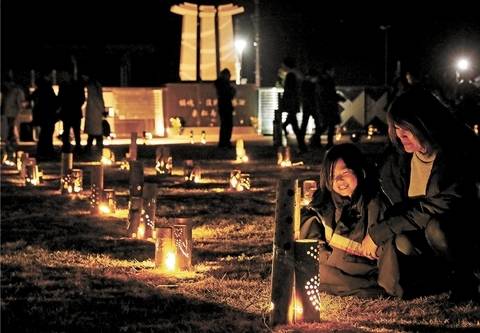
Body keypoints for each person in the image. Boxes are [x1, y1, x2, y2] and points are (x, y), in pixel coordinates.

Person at [364, 87, 480, 300]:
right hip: (422, 236)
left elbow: (442, 204)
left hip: (463, 232)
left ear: (424, 124)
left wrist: (383, 230)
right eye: (396, 128)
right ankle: (438, 278)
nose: (400, 136)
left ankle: (467, 277)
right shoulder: (399, 159)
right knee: (401, 240)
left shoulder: (459, 152)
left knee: (436, 228)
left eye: (405, 129)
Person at [300, 143, 388, 297]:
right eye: (332, 176)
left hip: (362, 265)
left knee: (316, 274)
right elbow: (312, 236)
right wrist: (323, 254)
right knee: (312, 269)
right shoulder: (325, 204)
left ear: (360, 171)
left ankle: (372, 287)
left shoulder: (373, 202)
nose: (339, 180)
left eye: (345, 172)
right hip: (329, 262)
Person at [279, 57, 307, 152]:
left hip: (291, 104)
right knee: (293, 124)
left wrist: (284, 103)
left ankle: (302, 147)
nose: (282, 67)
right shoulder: (296, 75)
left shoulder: (290, 75)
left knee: (294, 126)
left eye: (283, 65)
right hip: (293, 104)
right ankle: (302, 146)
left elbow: (289, 91)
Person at [30, 72, 59, 160]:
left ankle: (44, 151)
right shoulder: (47, 89)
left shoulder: (40, 90)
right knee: (47, 134)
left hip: (44, 116)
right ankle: (47, 151)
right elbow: (54, 102)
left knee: (45, 134)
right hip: (49, 115)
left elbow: (31, 98)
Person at [317, 64, 346, 149]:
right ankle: (324, 142)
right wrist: (339, 98)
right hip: (329, 106)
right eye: (332, 71)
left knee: (328, 125)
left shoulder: (322, 80)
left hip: (326, 105)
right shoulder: (328, 81)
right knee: (329, 125)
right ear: (328, 71)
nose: (334, 73)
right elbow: (330, 94)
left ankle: (324, 141)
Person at [58, 70, 85, 153]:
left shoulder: (65, 85)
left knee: (72, 130)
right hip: (72, 111)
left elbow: (60, 98)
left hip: (70, 111)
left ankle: (73, 146)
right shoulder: (76, 84)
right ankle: (72, 146)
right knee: (69, 130)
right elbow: (81, 98)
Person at [1, 72, 26, 154]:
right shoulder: (10, 91)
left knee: (11, 127)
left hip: (12, 112)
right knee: (10, 127)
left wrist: (20, 109)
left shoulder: (15, 91)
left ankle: (11, 143)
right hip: (10, 112)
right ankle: (10, 143)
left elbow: (19, 102)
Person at [300, 68, 322, 148]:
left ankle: (303, 142)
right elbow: (310, 96)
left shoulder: (305, 83)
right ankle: (314, 142)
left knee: (304, 125)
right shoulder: (308, 84)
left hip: (308, 107)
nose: (316, 80)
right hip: (310, 106)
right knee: (316, 125)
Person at [83, 74, 105, 154]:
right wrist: (102, 109)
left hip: (93, 112)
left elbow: (97, 99)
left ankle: (89, 148)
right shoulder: (96, 86)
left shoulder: (92, 86)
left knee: (92, 133)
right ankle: (98, 148)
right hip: (96, 113)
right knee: (96, 133)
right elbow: (100, 99)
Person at [214, 68, 235, 149]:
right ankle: (224, 142)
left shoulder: (222, 84)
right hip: (225, 106)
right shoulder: (223, 84)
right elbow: (227, 94)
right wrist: (231, 92)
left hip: (224, 106)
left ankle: (224, 142)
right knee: (226, 125)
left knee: (226, 125)